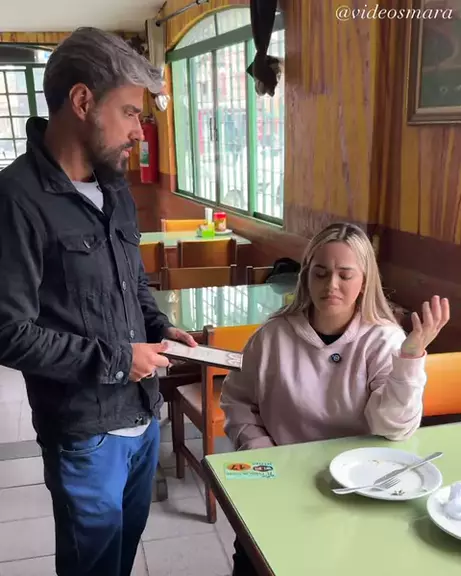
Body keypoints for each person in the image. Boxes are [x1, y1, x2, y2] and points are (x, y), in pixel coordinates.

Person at [0, 27, 196, 576]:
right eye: (131, 112)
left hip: (143, 416)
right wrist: (117, 359)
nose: (139, 130)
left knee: (120, 556)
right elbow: (8, 332)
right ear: (83, 101)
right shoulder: (16, 198)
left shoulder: (115, 187)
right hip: (84, 434)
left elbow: (134, 284)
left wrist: (159, 327)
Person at [220, 222, 450, 575]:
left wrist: (410, 356)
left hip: (360, 485)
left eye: (345, 274)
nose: (331, 285)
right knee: (254, 556)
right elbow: (237, 400)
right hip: (278, 472)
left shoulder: (384, 339)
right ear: (306, 276)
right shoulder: (272, 336)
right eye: (321, 273)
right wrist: (261, 451)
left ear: (364, 281)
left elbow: (394, 428)